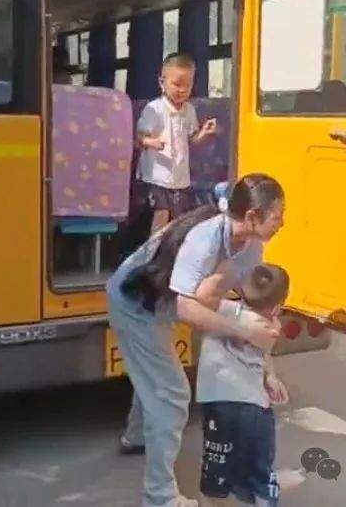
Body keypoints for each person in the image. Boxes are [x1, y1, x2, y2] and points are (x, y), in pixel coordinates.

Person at [107, 173, 288, 507]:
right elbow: (188, 308)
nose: (282, 223)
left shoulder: (251, 245)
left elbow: (249, 305)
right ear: (252, 217)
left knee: (155, 380)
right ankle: (158, 496)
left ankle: (135, 437)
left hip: (162, 303)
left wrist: (267, 369)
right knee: (173, 395)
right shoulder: (205, 239)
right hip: (135, 305)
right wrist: (244, 329)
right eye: (277, 215)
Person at [197, 263, 291, 507]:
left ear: (240, 289)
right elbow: (264, 354)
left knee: (215, 472)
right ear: (277, 307)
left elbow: (201, 294)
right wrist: (271, 376)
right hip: (254, 407)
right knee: (260, 469)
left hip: (218, 404)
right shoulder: (271, 327)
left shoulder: (222, 311)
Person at [135, 53, 219, 236]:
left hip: (180, 177)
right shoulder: (154, 109)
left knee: (178, 218)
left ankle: (170, 250)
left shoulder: (189, 110)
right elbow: (138, 138)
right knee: (161, 214)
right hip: (156, 176)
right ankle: (153, 251)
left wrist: (204, 132)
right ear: (162, 83)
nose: (182, 90)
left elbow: (191, 140)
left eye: (187, 85)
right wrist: (152, 142)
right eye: (176, 84)